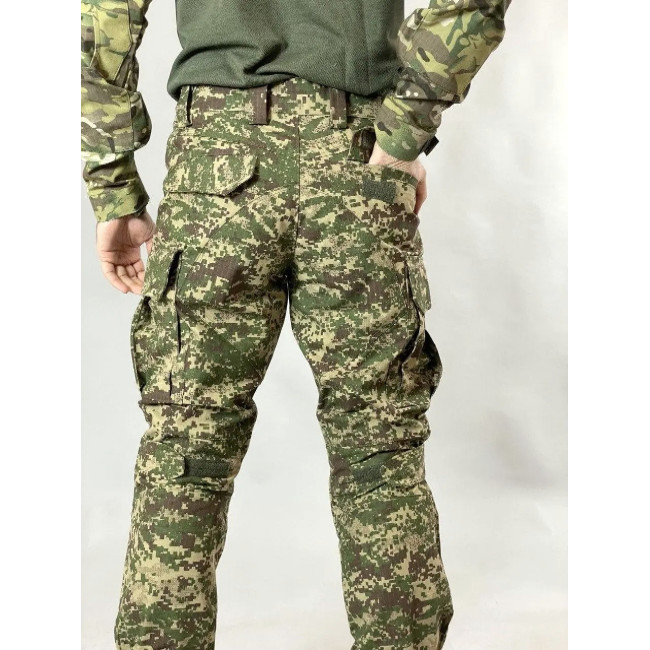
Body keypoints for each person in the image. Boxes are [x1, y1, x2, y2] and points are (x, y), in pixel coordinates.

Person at [81, 1, 510, 648]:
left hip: (215, 162)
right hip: (357, 156)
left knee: (186, 441)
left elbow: (107, 14)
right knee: (378, 442)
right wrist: (403, 131)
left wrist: (114, 187)